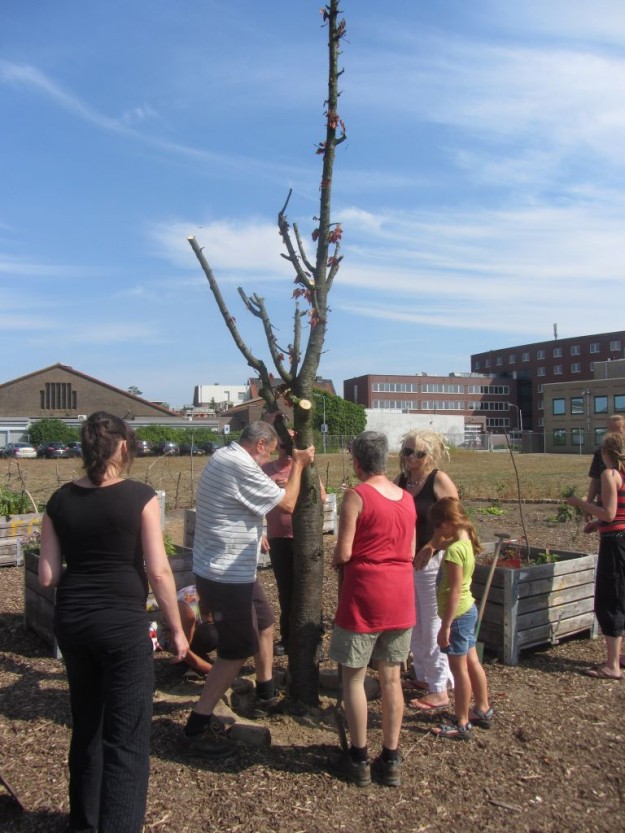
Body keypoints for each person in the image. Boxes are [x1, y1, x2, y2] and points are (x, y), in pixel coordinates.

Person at [38, 412, 188, 833]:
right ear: (123, 446)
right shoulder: (140, 497)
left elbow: (46, 576)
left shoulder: (58, 501)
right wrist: (177, 629)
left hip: (74, 624)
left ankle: (84, 824)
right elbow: (159, 572)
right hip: (122, 628)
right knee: (127, 738)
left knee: (87, 725)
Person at [183, 421, 315, 757]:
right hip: (225, 574)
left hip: (234, 569)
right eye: (269, 452)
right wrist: (298, 464)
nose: (268, 458)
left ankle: (265, 692)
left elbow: (243, 502)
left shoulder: (226, 456)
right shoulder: (239, 464)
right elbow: (288, 504)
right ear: (259, 445)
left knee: (266, 623)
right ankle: (197, 725)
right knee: (236, 650)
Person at [328, 431, 416, 788]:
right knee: (391, 678)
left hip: (365, 595)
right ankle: (391, 757)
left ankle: (359, 756)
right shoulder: (407, 498)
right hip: (401, 594)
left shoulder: (357, 495)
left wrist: (336, 560)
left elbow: (344, 551)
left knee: (354, 677)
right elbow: (410, 550)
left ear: (357, 463)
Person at [395, 430, 458, 711]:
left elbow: (456, 522)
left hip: (433, 562)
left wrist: (432, 546)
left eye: (419, 453)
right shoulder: (402, 480)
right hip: (407, 562)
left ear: (430, 455)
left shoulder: (438, 480)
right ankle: (423, 675)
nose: (411, 457)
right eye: (407, 451)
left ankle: (439, 688)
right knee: (415, 623)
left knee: (432, 624)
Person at [428, 497, 493, 741]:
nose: (437, 532)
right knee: (472, 661)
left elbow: (454, 590)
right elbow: (442, 542)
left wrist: (445, 625)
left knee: (459, 669)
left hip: (456, 616)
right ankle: (483, 709)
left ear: (446, 524)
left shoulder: (455, 551)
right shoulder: (465, 541)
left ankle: (462, 722)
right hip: (468, 611)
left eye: (438, 527)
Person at [262, 429, 326, 656]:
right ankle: (288, 637)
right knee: (286, 588)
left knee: (308, 587)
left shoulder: (307, 467)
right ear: (276, 447)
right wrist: (260, 532)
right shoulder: (267, 470)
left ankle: (314, 636)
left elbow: (321, 496)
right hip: (278, 537)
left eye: (292, 446)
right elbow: (254, 501)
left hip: (304, 537)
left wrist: (291, 489)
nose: (288, 451)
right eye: (283, 446)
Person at [567, 432, 625, 680]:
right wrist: (597, 524)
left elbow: (609, 513)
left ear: (605, 453)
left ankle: (612, 665)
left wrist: (580, 503)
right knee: (623, 596)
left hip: (615, 544)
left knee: (610, 599)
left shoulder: (609, 474)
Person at [159, 585, 219, 676]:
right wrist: (214, 672)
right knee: (212, 634)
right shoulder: (188, 605)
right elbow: (183, 649)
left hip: (198, 627)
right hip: (171, 636)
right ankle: (188, 662)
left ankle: (198, 659)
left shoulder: (222, 599)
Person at [585, 415, 625, 531]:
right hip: (606, 501)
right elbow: (595, 479)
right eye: (610, 431)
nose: (613, 435)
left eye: (618, 432)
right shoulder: (601, 452)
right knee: (608, 533)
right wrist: (589, 504)